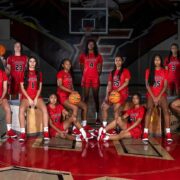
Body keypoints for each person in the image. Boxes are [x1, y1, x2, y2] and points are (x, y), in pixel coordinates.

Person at [57, 58, 93, 139]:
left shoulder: (69, 74)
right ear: (63, 65)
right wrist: (71, 91)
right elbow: (59, 85)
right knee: (75, 108)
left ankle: (84, 125)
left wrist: (74, 92)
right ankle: (74, 129)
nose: (68, 65)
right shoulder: (60, 73)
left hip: (70, 96)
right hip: (62, 96)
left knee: (84, 106)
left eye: (69, 64)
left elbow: (71, 85)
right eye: (66, 64)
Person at [142, 55, 172, 143]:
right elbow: (147, 85)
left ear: (161, 61)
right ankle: (145, 133)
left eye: (158, 60)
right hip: (151, 94)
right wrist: (154, 97)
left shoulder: (164, 71)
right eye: (155, 60)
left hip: (161, 94)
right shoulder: (148, 71)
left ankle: (168, 133)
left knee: (166, 111)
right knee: (149, 110)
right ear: (153, 61)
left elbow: (165, 86)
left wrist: (158, 97)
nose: (157, 61)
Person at [18, 56, 49, 142]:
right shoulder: (23, 73)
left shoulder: (39, 73)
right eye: (30, 61)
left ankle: (46, 132)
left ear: (36, 63)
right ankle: (23, 133)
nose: (32, 63)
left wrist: (35, 98)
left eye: (34, 61)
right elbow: (22, 88)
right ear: (28, 63)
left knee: (45, 110)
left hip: (37, 97)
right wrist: (29, 98)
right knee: (21, 110)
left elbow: (39, 88)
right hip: (26, 97)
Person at [101, 55, 131, 129]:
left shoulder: (125, 71)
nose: (118, 62)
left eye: (119, 60)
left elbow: (126, 83)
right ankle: (105, 126)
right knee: (104, 107)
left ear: (122, 61)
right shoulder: (112, 72)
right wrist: (107, 96)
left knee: (115, 109)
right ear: (114, 62)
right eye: (116, 60)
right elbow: (109, 84)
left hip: (122, 93)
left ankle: (116, 127)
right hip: (113, 94)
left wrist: (118, 90)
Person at [79, 39, 103, 124]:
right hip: (86, 79)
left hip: (95, 79)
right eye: (89, 44)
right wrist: (86, 74)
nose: (91, 45)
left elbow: (100, 69)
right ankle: (84, 119)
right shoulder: (83, 56)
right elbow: (82, 67)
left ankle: (97, 118)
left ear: (95, 46)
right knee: (85, 98)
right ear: (87, 45)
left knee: (96, 98)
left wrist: (95, 75)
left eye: (92, 44)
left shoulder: (98, 56)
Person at [0, 60, 17, 137]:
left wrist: (1, 98)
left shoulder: (3, 73)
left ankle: (9, 130)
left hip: (2, 97)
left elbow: (5, 88)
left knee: (8, 109)